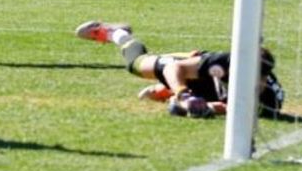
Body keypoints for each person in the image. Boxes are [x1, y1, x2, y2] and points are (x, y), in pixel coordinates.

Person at [72, 22, 285, 120]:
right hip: (191, 65)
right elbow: (176, 67)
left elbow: (227, 108)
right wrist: (182, 94)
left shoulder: (268, 102)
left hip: (210, 88)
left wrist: (202, 108)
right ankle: (115, 33)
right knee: (137, 64)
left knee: (168, 93)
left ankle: (166, 90)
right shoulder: (224, 61)